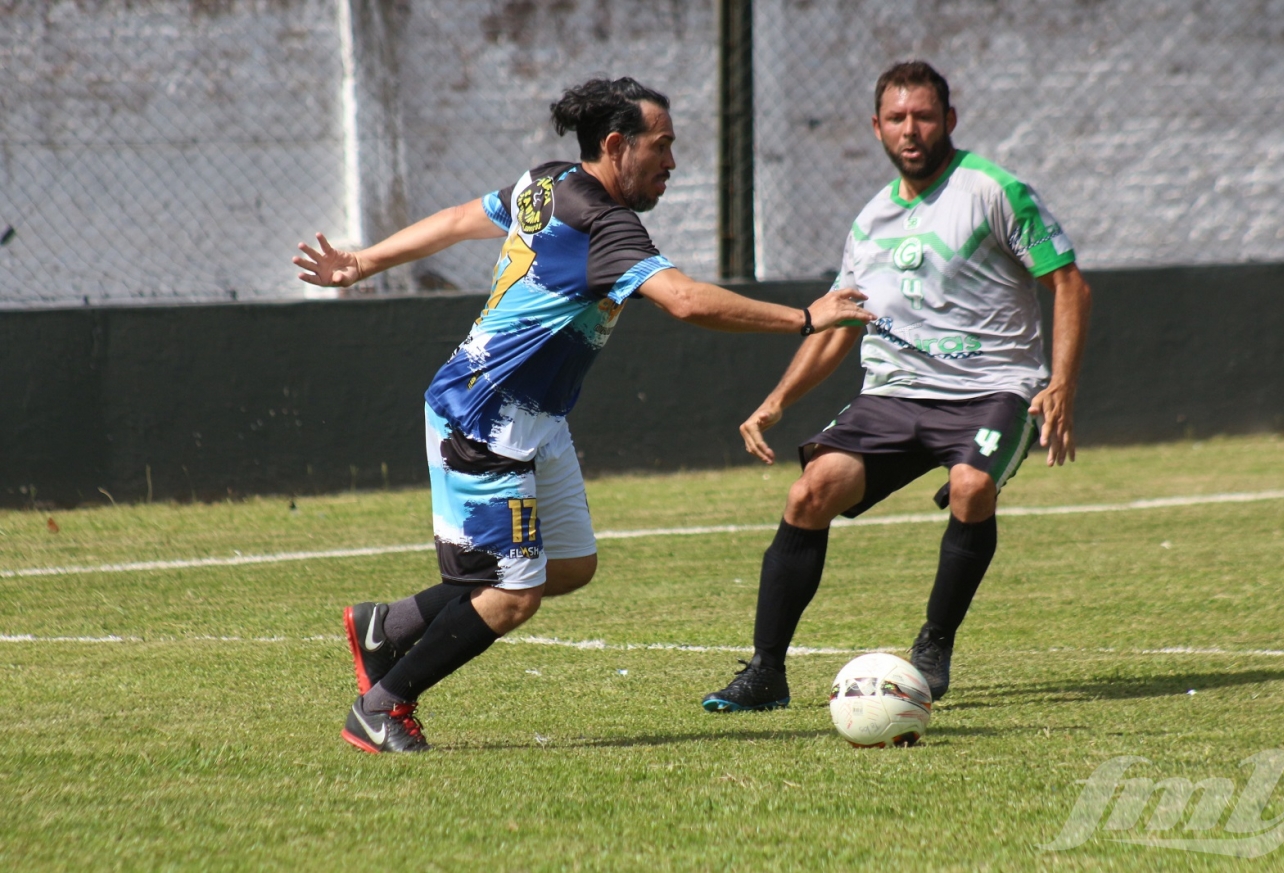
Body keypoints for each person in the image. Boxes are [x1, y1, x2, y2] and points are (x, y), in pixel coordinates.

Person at [293, 77, 871, 753]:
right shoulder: (604, 223)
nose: (673, 163)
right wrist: (806, 318)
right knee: (511, 594)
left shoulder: (549, 182)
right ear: (618, 144)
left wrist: (365, 260)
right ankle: (383, 705)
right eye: (664, 146)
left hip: (536, 418)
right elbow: (683, 300)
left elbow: (458, 218)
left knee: (568, 564)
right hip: (482, 418)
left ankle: (385, 625)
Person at [701, 60, 1091, 712]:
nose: (911, 130)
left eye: (924, 116)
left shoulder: (995, 191)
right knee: (809, 491)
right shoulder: (871, 220)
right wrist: (777, 401)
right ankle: (767, 672)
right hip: (895, 392)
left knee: (971, 485)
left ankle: (934, 642)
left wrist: (1062, 383)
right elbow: (840, 323)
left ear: (949, 121)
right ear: (877, 128)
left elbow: (1069, 283)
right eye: (897, 118)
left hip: (992, 388)